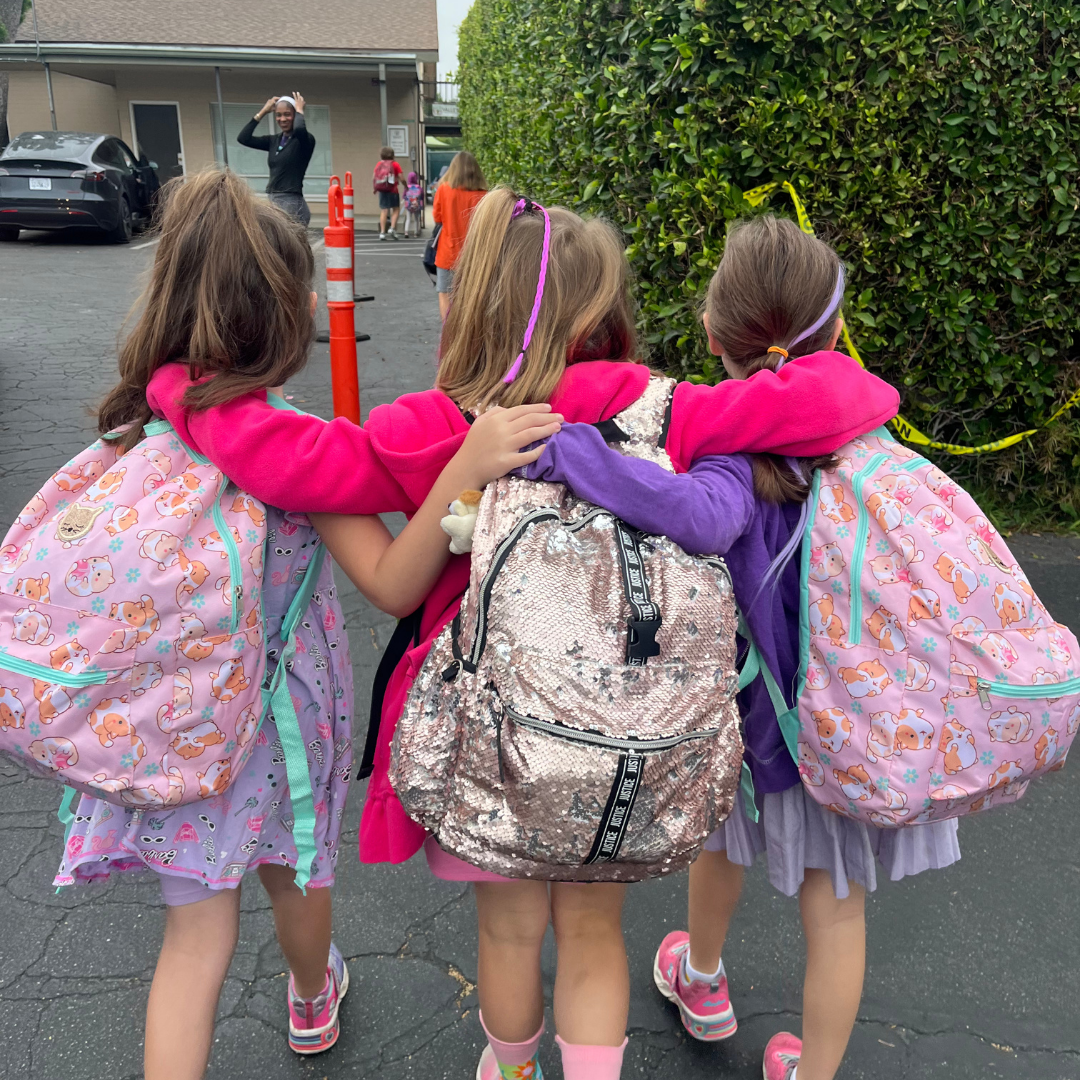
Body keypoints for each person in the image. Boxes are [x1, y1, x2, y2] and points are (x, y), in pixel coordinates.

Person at [141, 187, 901, 1080]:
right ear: (604, 309)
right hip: (625, 745)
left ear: (481, 303)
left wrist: (180, 390)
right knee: (592, 935)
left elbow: (300, 460)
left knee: (507, 931)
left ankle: (510, 1070)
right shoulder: (670, 406)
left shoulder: (442, 423)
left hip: (494, 741)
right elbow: (827, 402)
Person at [54, 169, 557, 1080]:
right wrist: (468, 469)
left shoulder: (130, 434)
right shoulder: (294, 452)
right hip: (276, 734)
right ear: (287, 318)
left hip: (163, 730)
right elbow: (397, 585)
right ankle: (311, 996)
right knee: (298, 876)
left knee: (193, 946)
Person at [516, 215, 961, 1080]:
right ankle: (814, 1070)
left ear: (715, 337)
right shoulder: (867, 434)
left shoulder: (731, 440)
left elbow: (703, 516)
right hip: (856, 719)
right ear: (835, 334)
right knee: (836, 913)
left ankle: (704, 978)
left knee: (717, 849)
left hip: (758, 724)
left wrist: (573, 453)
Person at [237, 93, 316, 226]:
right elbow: (243, 138)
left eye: (287, 114)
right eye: (278, 115)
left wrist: (299, 110)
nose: (282, 119)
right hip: (274, 198)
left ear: (295, 116)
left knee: (285, 243)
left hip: (290, 200)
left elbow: (299, 129)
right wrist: (263, 111)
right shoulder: (274, 141)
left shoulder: (304, 141)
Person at [431, 151, 487, 319]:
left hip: (447, 253)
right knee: (471, 297)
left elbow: (437, 217)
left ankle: (448, 334)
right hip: (474, 256)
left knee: (445, 294)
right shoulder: (483, 195)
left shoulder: (444, 190)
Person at [373, 146, 404, 240]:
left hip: (382, 190)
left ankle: (382, 232)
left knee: (384, 210)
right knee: (396, 209)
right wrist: (406, 186)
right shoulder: (395, 164)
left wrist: (375, 188)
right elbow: (401, 177)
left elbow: (374, 177)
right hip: (393, 190)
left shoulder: (379, 164)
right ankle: (392, 228)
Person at [403, 171, 424, 237]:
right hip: (416, 205)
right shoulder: (419, 187)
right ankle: (416, 233)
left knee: (408, 219)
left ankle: (406, 232)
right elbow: (422, 195)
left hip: (409, 205)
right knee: (416, 219)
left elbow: (404, 196)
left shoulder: (407, 187)